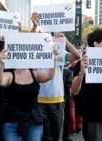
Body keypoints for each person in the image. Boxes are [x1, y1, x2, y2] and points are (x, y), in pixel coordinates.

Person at [30, 13, 81, 141]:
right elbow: (27, 42)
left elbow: (76, 56)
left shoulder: (59, 52)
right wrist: (34, 27)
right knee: (40, 137)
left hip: (57, 101)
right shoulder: (34, 50)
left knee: (56, 136)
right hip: (39, 100)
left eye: (50, 35)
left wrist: (65, 41)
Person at [0, 45, 58, 141]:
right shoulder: (10, 75)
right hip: (12, 122)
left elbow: (49, 76)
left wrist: (54, 60)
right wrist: (1, 64)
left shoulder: (35, 74)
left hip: (34, 122)